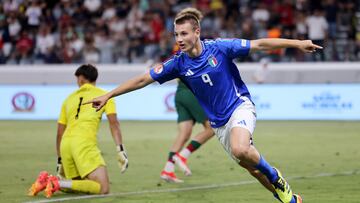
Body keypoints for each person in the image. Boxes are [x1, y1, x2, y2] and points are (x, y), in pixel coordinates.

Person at [85, 8, 322, 203]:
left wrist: (298, 43)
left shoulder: (220, 47)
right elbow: (143, 79)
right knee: (252, 168)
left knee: (242, 149)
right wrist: (110, 94)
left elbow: (259, 44)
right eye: (176, 34)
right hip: (219, 125)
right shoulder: (177, 64)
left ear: (196, 32)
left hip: (240, 107)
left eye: (184, 34)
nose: (179, 39)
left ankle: (276, 177)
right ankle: (288, 199)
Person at [28, 64, 129, 198]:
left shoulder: (68, 99)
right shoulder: (105, 95)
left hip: (65, 145)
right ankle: (55, 182)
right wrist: (120, 149)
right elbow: (114, 124)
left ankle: (46, 181)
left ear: (81, 79)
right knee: (103, 188)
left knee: (78, 185)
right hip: (84, 144)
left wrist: (60, 160)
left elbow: (59, 133)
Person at [160, 79, 214, 183]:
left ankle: (168, 170)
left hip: (180, 93)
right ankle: (182, 155)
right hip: (192, 91)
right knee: (212, 128)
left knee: (184, 134)